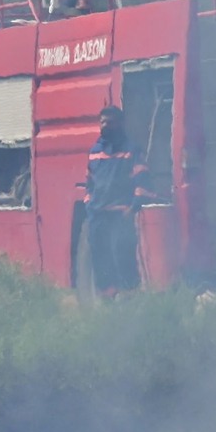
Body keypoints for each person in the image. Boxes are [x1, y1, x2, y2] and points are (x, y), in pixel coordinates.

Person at [84, 105, 142, 292]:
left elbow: (142, 182)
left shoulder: (131, 150)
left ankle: (129, 296)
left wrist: (132, 208)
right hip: (98, 215)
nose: (105, 126)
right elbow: (89, 183)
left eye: (110, 122)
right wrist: (89, 205)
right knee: (100, 257)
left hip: (120, 215)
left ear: (121, 124)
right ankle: (107, 297)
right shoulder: (94, 151)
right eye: (102, 122)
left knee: (122, 255)